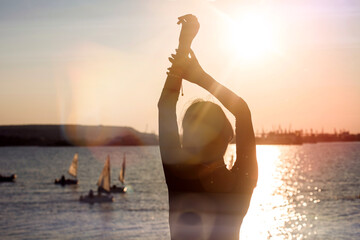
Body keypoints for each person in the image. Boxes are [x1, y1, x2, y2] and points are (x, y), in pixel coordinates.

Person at [158, 14, 258, 240]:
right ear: (227, 136)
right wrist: (200, 77)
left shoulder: (179, 177)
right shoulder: (242, 181)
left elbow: (165, 105)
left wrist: (184, 46)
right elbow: (242, 111)